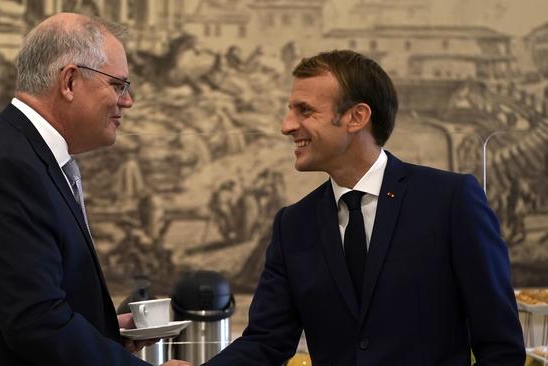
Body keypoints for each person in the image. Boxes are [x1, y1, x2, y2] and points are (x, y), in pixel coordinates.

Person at [204, 50, 525, 365]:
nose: (287, 125)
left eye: (305, 110)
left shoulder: (450, 200)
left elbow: (500, 346)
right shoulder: (293, 224)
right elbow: (266, 341)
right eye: (291, 110)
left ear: (356, 117)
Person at [0, 13, 190, 366]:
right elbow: (37, 323)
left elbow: (36, 301)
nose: (127, 102)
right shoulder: (8, 167)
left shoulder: (21, 154)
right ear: (69, 81)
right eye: (118, 85)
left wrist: (106, 332)